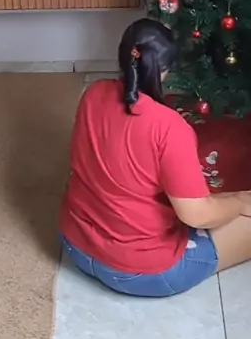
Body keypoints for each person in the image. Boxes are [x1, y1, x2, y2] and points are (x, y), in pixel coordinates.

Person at [59, 18, 251, 297]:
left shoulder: (93, 93)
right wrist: (239, 201)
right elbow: (197, 215)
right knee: (235, 212)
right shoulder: (170, 127)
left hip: (75, 244)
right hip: (138, 272)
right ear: (165, 70)